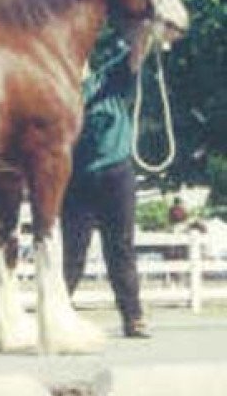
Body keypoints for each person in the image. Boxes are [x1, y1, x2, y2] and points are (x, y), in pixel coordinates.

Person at [61, 42, 150, 338]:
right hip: (77, 179)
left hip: (116, 173)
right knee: (72, 252)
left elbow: (137, 54)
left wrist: (147, 28)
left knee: (120, 248)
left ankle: (132, 316)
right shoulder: (60, 95)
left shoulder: (109, 77)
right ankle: (57, 312)